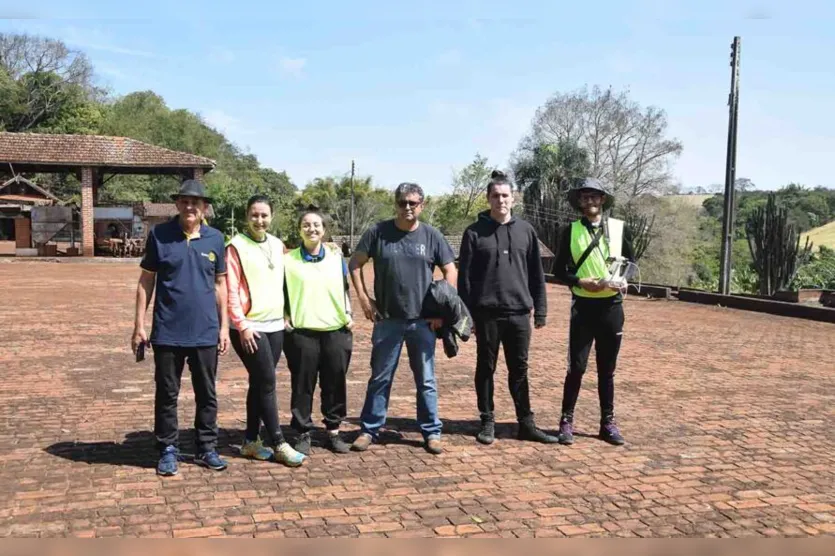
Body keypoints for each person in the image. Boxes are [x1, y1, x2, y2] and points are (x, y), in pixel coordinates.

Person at [349, 182, 457, 455]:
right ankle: (369, 429)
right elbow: (355, 263)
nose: (407, 207)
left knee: (426, 380)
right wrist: (363, 298)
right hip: (388, 320)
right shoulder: (378, 233)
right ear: (395, 204)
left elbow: (450, 271)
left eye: (413, 203)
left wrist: (442, 312)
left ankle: (431, 431)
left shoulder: (432, 236)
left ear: (422, 205)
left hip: (423, 322)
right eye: (402, 203)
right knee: (380, 378)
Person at [131, 179, 230, 476]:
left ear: (204, 207)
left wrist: (224, 327)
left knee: (207, 394)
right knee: (167, 394)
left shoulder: (215, 239)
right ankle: (167, 449)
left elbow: (220, 284)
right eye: (185, 201)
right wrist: (139, 325)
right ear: (177, 204)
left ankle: (206, 447)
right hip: (168, 331)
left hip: (205, 332)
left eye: (196, 202)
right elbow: (146, 281)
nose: (190, 207)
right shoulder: (160, 235)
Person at [458, 170, 558, 445]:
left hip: (519, 314)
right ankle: (487, 421)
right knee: (486, 368)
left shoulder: (526, 231)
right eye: (495, 196)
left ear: (513, 199)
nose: (500, 200)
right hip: (486, 314)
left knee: (520, 369)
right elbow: (464, 280)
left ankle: (526, 423)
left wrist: (541, 310)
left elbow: (537, 275)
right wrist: (467, 318)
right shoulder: (474, 233)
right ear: (488, 199)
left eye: (505, 195)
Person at [226, 195, 306, 467]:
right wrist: (242, 325)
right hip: (250, 328)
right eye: (254, 215)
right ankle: (278, 442)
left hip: (275, 325)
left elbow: (286, 281)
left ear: (272, 216)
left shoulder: (277, 244)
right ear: (246, 216)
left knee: (259, 383)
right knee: (268, 382)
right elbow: (231, 290)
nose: (259, 220)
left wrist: (286, 315)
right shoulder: (235, 246)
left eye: (264, 215)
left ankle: (250, 441)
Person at [553, 178, 634, 446]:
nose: (589, 201)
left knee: (607, 370)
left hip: (611, 306)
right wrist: (579, 281)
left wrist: (624, 279)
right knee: (576, 367)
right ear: (579, 201)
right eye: (584, 197)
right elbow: (559, 270)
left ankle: (607, 423)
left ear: (602, 200)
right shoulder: (571, 230)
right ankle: (566, 421)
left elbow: (631, 263)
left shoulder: (619, 229)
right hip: (583, 307)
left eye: (594, 196)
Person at [283, 207, 354, 455]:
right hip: (302, 332)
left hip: (336, 329)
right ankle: (302, 431)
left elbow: (345, 288)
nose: (311, 229)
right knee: (302, 384)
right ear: (299, 229)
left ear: (324, 230)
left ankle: (333, 431)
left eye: (316, 225)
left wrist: (349, 314)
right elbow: (280, 291)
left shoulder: (336, 257)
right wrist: (284, 317)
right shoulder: (288, 260)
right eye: (306, 224)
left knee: (335, 382)